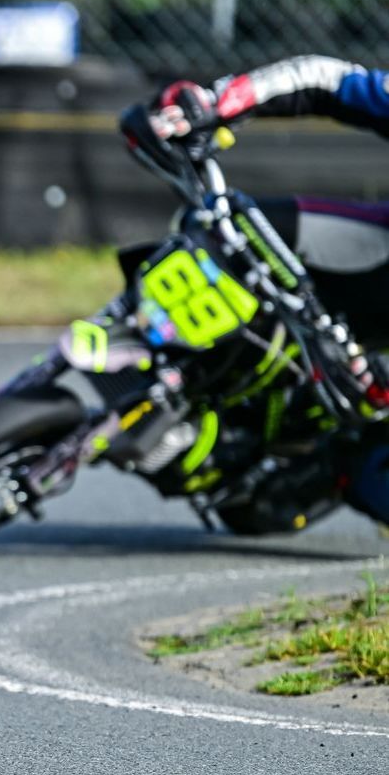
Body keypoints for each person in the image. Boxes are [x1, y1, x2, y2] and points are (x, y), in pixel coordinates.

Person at [156, 55, 389, 518]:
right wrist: (216, 102)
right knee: (217, 227)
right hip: (373, 253)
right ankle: (152, 348)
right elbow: (329, 80)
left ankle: (330, 462)